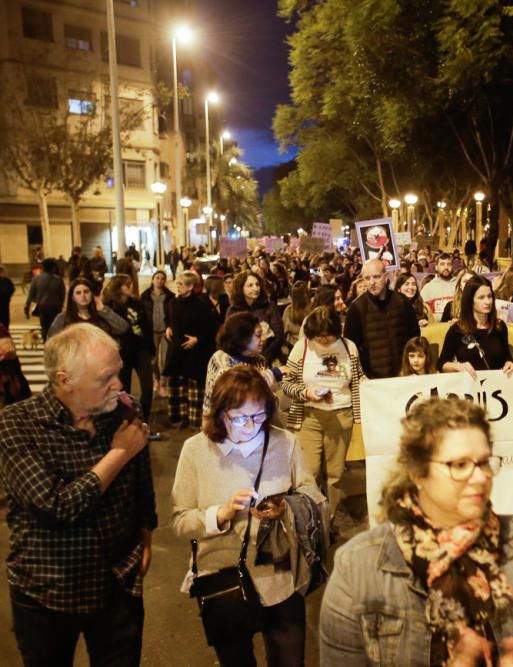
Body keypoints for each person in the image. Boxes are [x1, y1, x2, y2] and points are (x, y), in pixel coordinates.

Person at [318, 396, 513, 666]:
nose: (480, 477)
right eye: (459, 465)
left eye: (485, 462)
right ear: (418, 473)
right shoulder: (358, 567)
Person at [0, 325, 155, 666]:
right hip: (47, 590)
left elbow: (142, 484)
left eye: (118, 372)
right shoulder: (16, 424)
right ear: (64, 380)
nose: (119, 384)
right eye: (105, 378)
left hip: (118, 583)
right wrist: (118, 454)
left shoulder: (125, 411)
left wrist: (146, 534)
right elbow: (55, 507)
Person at [172, 366, 326, 666]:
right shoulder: (195, 451)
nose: (250, 426)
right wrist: (222, 513)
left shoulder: (285, 443)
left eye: (258, 416)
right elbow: (180, 521)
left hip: (280, 576)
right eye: (239, 418)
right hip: (222, 578)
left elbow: (313, 496)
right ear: (220, 413)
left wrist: (286, 509)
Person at [282, 306, 364, 521]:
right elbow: (287, 384)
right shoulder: (302, 347)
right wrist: (306, 392)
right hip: (309, 416)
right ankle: (309, 518)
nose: (325, 341)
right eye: (320, 336)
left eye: (329, 336)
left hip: (341, 415)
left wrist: (360, 410)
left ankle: (329, 519)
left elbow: (357, 380)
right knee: (309, 471)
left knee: (335, 474)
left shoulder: (349, 347)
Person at [345, 259, 421, 379]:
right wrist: (360, 375)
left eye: (376, 277)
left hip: (404, 375)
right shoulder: (356, 308)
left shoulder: (402, 302)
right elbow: (351, 346)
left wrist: (410, 367)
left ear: (385, 277)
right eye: (367, 278)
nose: (372, 282)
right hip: (372, 380)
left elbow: (414, 337)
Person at [203, 313, 285, 415]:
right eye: (258, 335)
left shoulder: (259, 360)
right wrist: (273, 374)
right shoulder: (221, 358)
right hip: (223, 423)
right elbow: (235, 389)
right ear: (242, 337)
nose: (263, 339)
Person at [102, 275, 156, 429]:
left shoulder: (136, 303)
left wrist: (152, 350)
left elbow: (146, 327)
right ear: (118, 287)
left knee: (147, 388)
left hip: (141, 350)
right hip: (123, 352)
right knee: (123, 389)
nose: (131, 286)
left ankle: (143, 421)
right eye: (127, 285)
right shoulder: (111, 307)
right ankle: (125, 422)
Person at [438, 275, 513, 378]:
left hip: (496, 387)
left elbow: (507, 357)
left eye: (489, 296)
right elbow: (441, 364)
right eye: (481, 297)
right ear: (470, 300)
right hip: (469, 389)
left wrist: (509, 363)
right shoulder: (457, 330)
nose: (487, 302)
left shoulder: (499, 327)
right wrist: (457, 366)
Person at [164, 270, 213, 428]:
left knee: (193, 388)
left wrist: (197, 339)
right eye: (177, 283)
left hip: (194, 353)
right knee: (177, 386)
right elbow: (169, 318)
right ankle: (177, 419)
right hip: (176, 351)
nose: (177, 286)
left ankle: (193, 421)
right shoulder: (172, 302)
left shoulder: (200, 304)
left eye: (181, 284)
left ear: (191, 286)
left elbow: (209, 327)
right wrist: (168, 327)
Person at [228, 272, 285, 364]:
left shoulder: (269, 306)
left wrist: (264, 358)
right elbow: (230, 338)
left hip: (269, 358)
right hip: (241, 360)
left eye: (257, 284)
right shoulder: (233, 310)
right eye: (250, 285)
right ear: (240, 288)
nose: (255, 288)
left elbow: (279, 336)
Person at [48, 277, 129, 338]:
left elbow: (123, 328)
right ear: (72, 298)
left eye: (86, 292)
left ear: (92, 294)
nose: (83, 296)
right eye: (78, 293)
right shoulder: (62, 318)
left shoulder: (101, 315)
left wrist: (104, 311)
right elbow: (51, 342)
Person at [141, 270, 174, 398]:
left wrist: (170, 326)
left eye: (162, 278)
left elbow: (172, 314)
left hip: (165, 331)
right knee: (153, 360)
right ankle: (156, 378)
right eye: (157, 278)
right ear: (152, 279)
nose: (159, 280)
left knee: (165, 359)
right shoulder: (145, 296)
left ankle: (163, 384)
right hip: (151, 331)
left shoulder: (170, 296)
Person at [24, 258, 67, 340]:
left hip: (42, 307)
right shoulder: (58, 280)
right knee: (56, 327)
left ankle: (46, 343)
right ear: (53, 268)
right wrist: (61, 306)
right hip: (55, 307)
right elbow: (62, 294)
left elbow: (31, 294)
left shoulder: (36, 279)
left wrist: (27, 307)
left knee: (44, 327)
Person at [420, 255, 457, 321]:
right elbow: (421, 311)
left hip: (456, 328)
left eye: (449, 264)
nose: (446, 267)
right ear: (436, 267)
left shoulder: (459, 284)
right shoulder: (428, 288)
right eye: (442, 264)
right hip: (436, 329)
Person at [282, 280, 312, 353]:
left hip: (293, 347)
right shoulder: (313, 310)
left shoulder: (288, 311)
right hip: (310, 347)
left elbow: (284, 330)